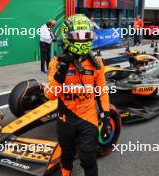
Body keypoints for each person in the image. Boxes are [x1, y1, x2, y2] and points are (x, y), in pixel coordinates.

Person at [44, 14, 110, 176]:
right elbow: (51, 95)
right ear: (67, 37)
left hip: (88, 117)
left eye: (86, 35)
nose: (82, 40)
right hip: (65, 118)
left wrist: (106, 115)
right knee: (66, 155)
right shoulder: (56, 62)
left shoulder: (97, 63)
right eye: (77, 36)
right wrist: (62, 71)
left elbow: (102, 91)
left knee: (88, 157)